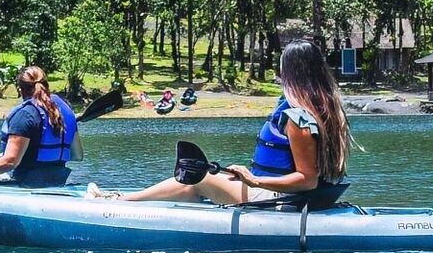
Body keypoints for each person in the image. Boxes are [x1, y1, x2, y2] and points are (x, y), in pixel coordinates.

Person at [105, 38, 350, 209]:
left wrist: (254, 181)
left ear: (291, 73)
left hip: (279, 199)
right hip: (283, 194)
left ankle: (123, 203)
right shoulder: (325, 109)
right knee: (205, 182)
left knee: (201, 179)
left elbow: (307, 180)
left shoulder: (299, 118)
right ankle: (131, 201)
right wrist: (247, 177)